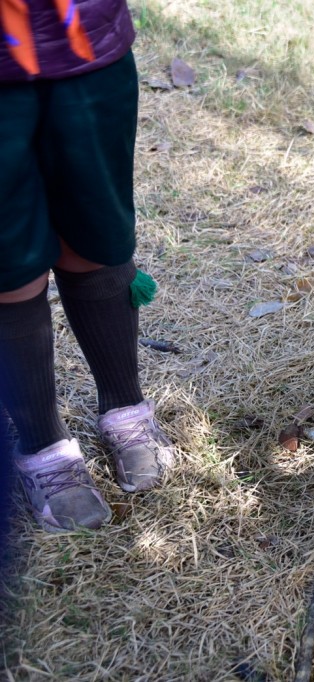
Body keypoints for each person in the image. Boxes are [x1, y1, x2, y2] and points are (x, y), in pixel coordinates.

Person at [0, 0, 174, 533]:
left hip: (86, 46)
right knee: (9, 266)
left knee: (97, 237)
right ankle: (43, 447)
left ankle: (124, 408)